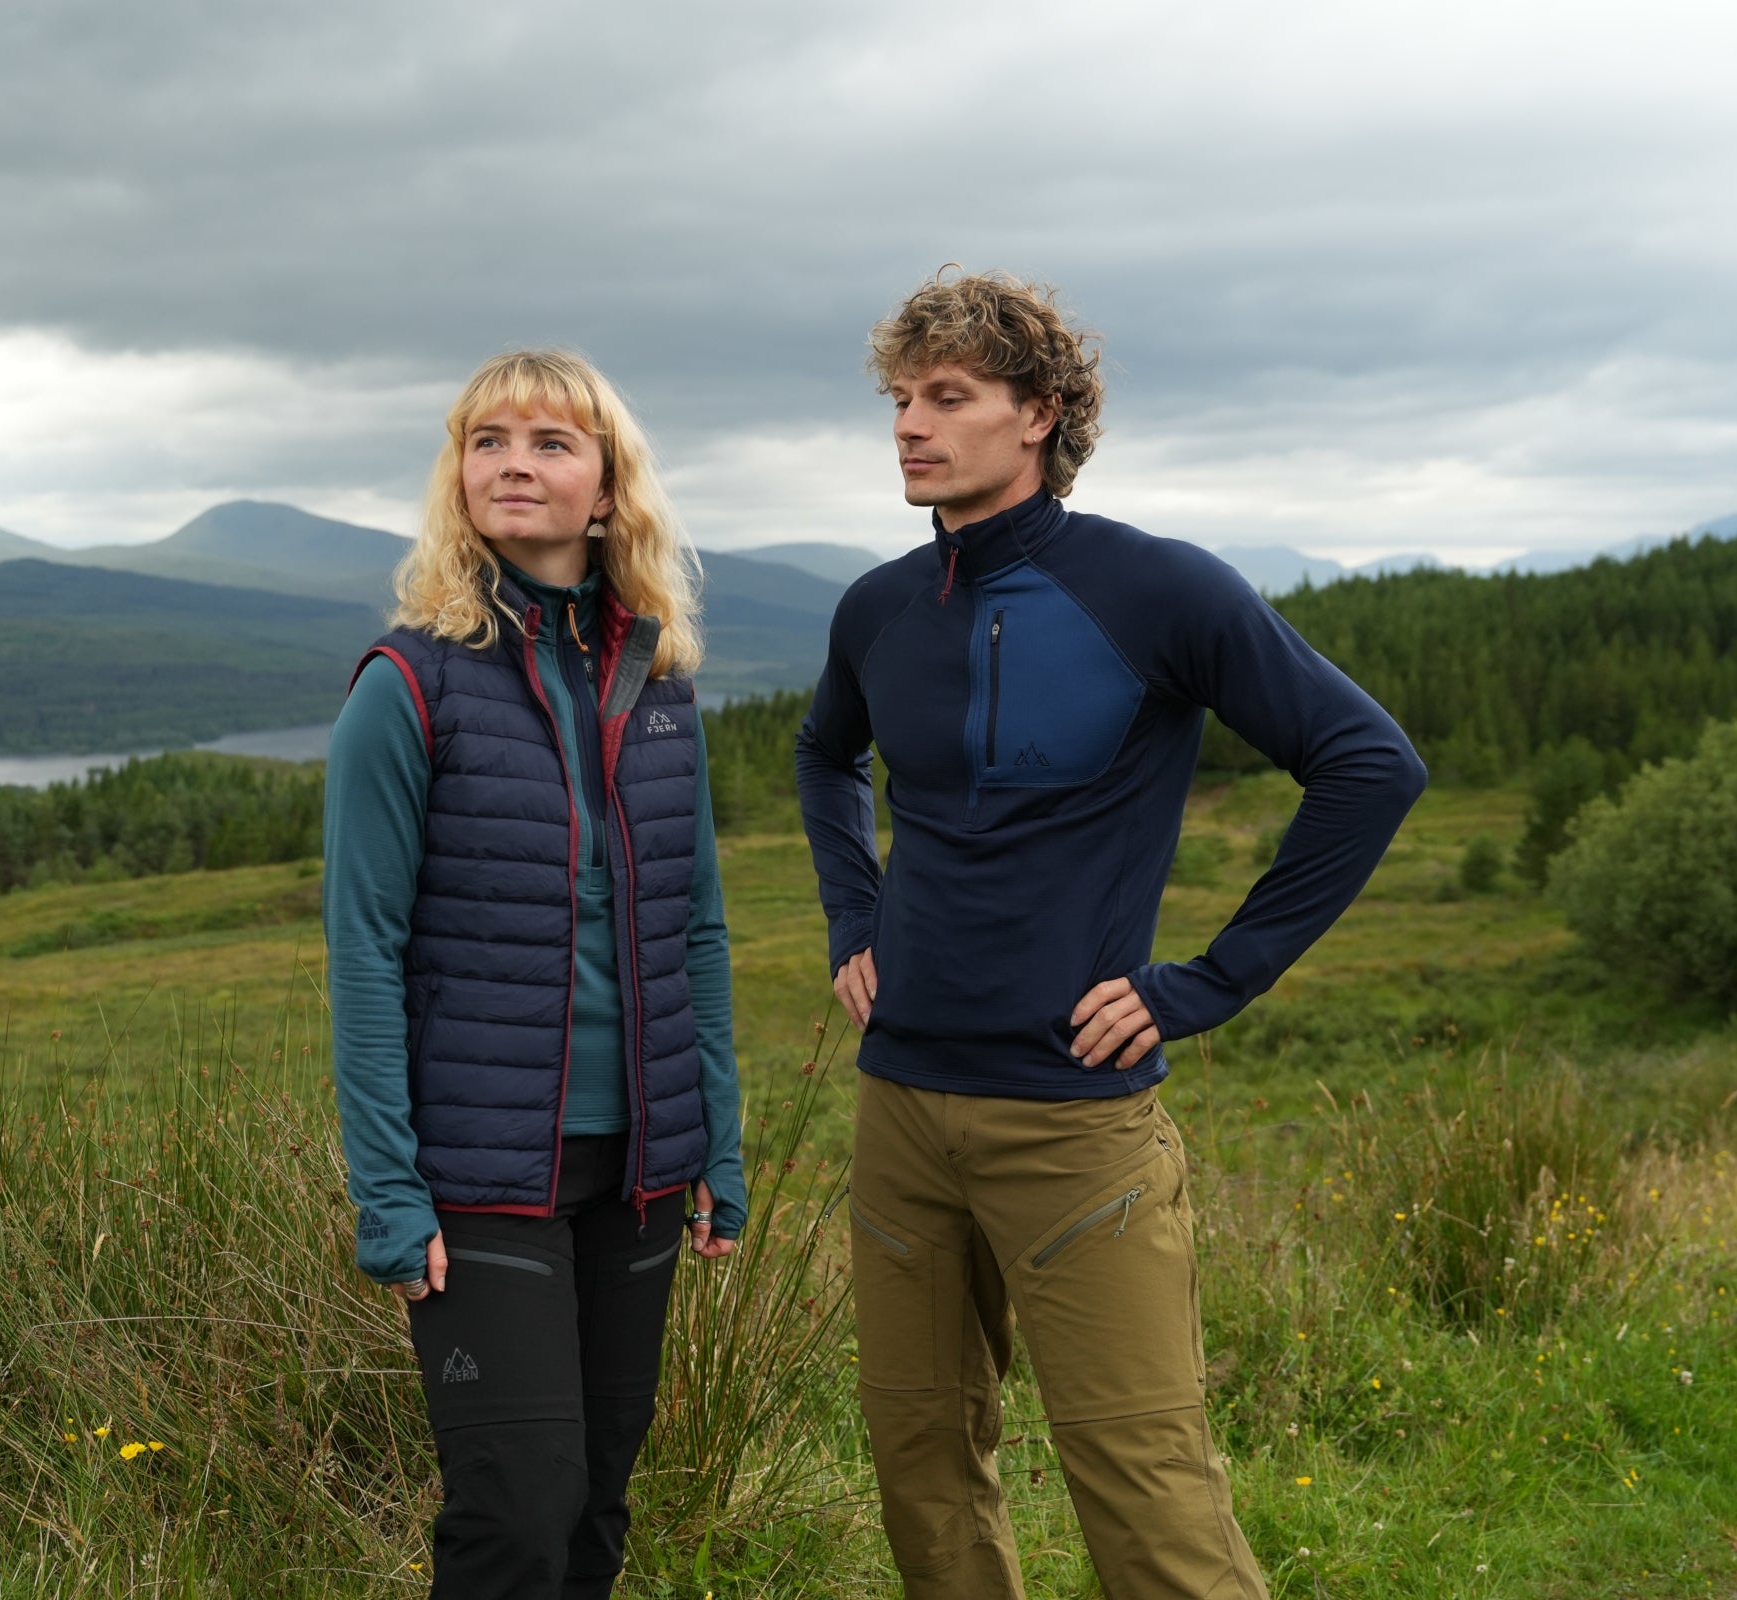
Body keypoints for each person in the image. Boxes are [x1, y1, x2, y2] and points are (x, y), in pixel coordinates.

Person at [796, 270, 1427, 1599]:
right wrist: (854, 913)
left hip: (1072, 1119)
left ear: (1038, 413)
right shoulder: (878, 608)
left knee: (1146, 1498)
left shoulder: (1158, 591)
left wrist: (1211, 980)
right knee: (923, 1466)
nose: (909, 424)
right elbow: (822, 757)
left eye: (947, 397)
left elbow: (1369, 763)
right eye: (901, 399)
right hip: (901, 1104)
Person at [324, 348, 748, 1599]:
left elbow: (698, 932)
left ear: (609, 491)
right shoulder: (407, 686)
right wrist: (390, 1194)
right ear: (460, 478)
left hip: (641, 1171)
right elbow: (363, 953)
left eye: (554, 442)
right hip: (480, 1177)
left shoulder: (659, 685)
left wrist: (713, 1143)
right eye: (490, 439)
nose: (517, 461)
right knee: (516, 1511)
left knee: (595, 1507)